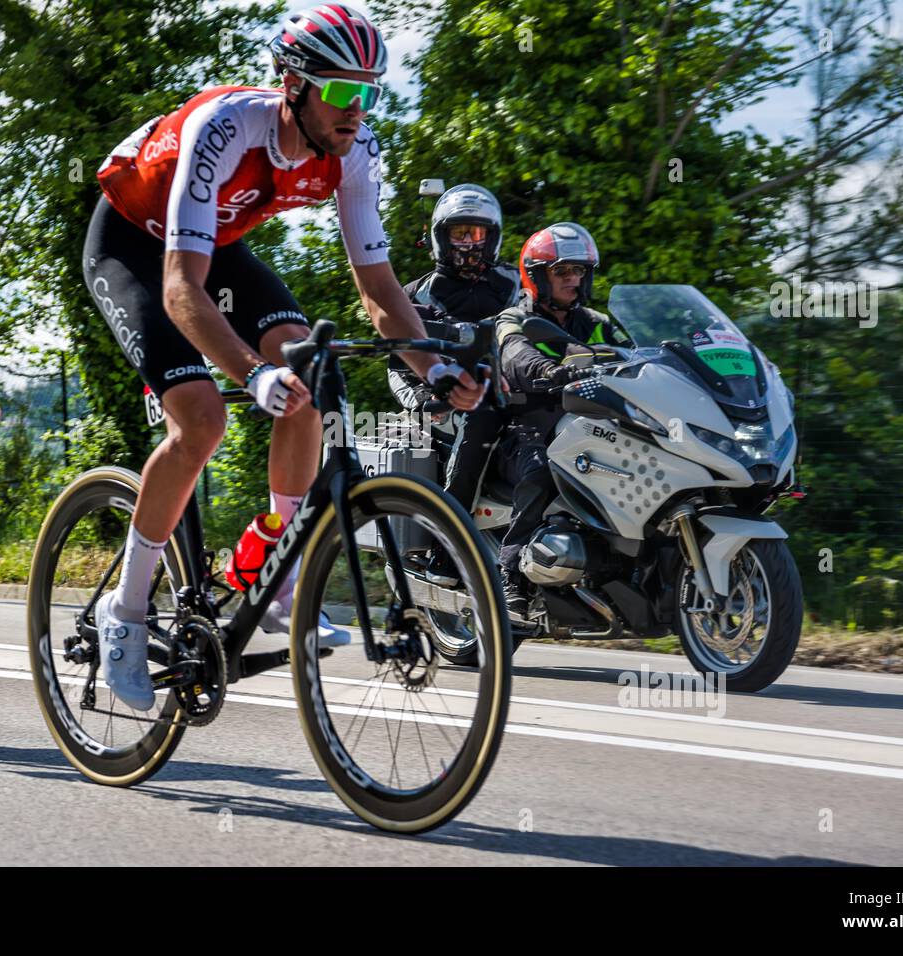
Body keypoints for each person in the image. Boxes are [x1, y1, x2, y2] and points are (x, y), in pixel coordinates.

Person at [84, 5, 487, 711]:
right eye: (342, 91)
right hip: (134, 244)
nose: (356, 111)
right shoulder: (225, 128)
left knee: (310, 373)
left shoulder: (354, 153)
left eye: (369, 93)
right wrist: (251, 371)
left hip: (216, 244)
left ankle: (275, 565)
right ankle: (125, 610)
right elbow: (181, 289)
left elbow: (380, 288)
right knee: (202, 420)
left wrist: (436, 366)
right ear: (294, 85)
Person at [387, 184, 518, 585]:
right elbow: (397, 366)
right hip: (453, 403)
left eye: (477, 233)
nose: (467, 243)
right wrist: (425, 400)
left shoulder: (517, 285)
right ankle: (447, 546)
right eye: (458, 233)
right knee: (480, 417)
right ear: (439, 237)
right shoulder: (415, 294)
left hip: (522, 395)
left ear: (492, 238)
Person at [495, 222, 618, 614]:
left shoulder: (597, 322)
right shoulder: (513, 318)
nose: (572, 279)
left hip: (591, 425)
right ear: (537, 277)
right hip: (527, 427)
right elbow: (514, 355)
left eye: (579, 271)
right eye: (562, 271)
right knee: (541, 472)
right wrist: (548, 370)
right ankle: (509, 574)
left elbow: (633, 355)